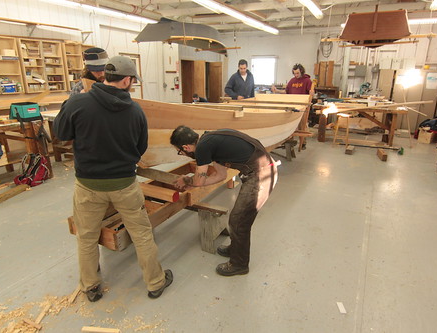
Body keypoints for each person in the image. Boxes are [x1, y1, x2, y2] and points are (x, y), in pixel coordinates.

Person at [54, 56, 173, 302]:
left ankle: (90, 286)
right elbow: (140, 149)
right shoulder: (135, 111)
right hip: (124, 185)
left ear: (105, 76)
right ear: (127, 80)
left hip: (88, 185)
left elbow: (61, 134)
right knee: (141, 235)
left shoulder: (78, 103)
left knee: (87, 237)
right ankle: (155, 283)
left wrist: (68, 106)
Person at [170, 126, 278, 276]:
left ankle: (239, 264)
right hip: (261, 169)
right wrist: (191, 181)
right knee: (237, 218)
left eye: (180, 152)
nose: (183, 154)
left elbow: (199, 182)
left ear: (186, 147)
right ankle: (236, 248)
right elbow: (220, 176)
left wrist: (186, 180)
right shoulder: (210, 141)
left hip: (262, 174)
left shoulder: (202, 147)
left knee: (239, 220)